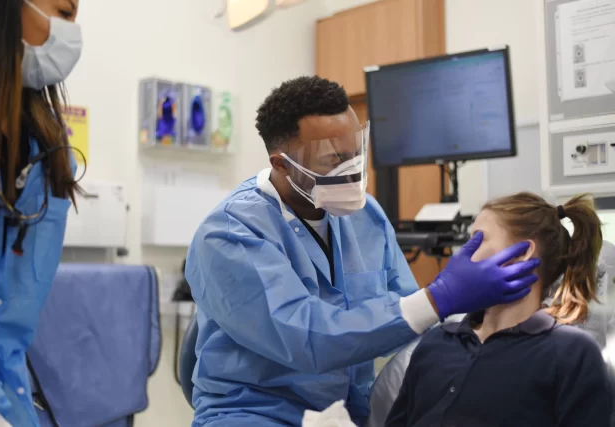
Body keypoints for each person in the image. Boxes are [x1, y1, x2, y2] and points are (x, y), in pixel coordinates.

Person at [184, 76, 541, 427]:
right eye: (333, 159)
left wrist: (473, 323)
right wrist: (439, 297)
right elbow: (308, 338)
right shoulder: (229, 234)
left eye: (355, 152)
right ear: (282, 165)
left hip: (348, 412)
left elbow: (404, 319)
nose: (352, 168)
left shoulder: (365, 214)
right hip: (255, 414)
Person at [385, 192, 611, 427]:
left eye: (478, 240)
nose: (463, 256)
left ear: (522, 254)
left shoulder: (571, 353)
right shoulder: (436, 342)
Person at [0, 1, 82, 426]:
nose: (72, 31)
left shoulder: (50, 154)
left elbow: (9, 330)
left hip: (7, 398)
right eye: (64, 11)